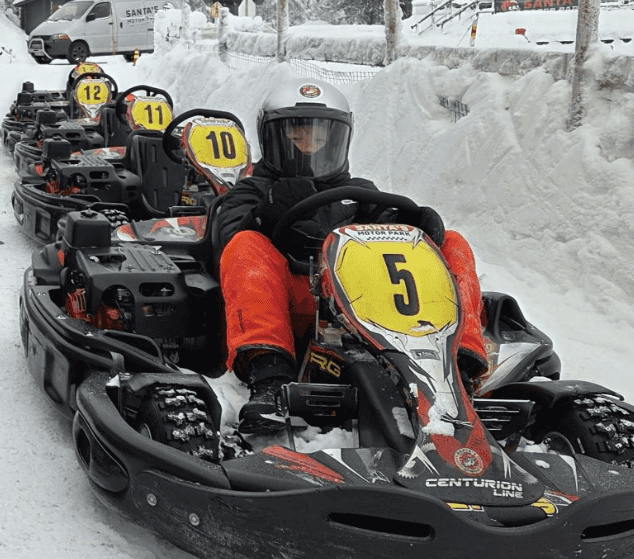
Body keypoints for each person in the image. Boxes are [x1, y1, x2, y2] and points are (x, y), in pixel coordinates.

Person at [209, 79, 488, 429]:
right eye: (297, 132)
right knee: (246, 244)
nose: (309, 142)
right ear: (272, 137)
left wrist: (419, 229)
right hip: (292, 305)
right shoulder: (252, 190)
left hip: (366, 301)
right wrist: (265, 213)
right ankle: (270, 379)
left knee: (454, 243)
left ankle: (459, 369)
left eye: (319, 134)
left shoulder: (359, 192)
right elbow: (228, 241)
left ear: (339, 137)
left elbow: (392, 237)